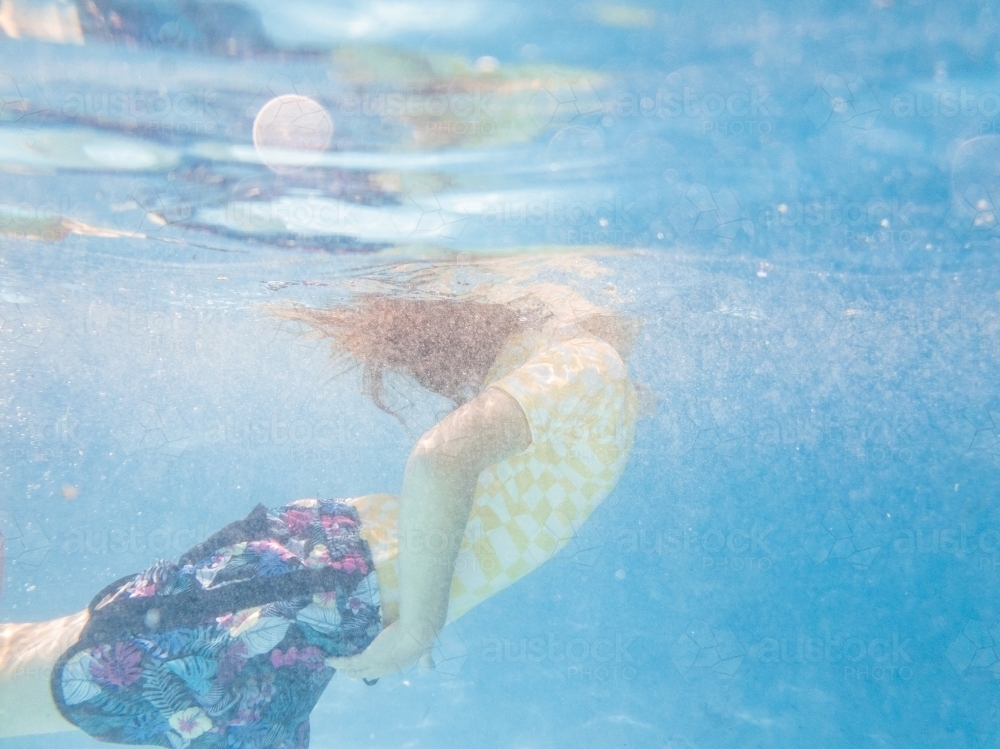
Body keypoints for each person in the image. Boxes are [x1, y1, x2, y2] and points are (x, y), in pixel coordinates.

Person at [0, 260, 647, 741]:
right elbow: (441, 458)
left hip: (325, 595)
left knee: (62, 674)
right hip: (322, 588)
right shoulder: (592, 361)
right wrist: (421, 621)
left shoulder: (570, 364)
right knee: (70, 678)